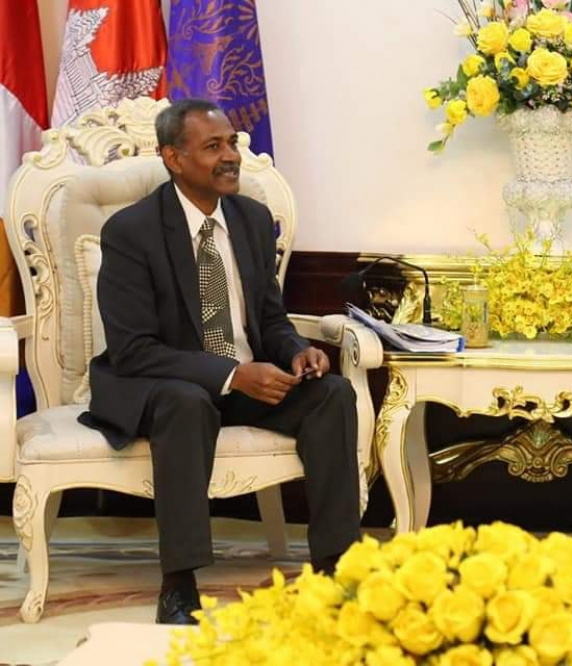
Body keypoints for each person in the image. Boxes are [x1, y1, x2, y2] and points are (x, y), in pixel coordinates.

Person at [80, 98, 361, 625]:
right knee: (187, 402)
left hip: (247, 381)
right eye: (213, 147)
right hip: (163, 383)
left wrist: (296, 351)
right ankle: (178, 585)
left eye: (231, 143)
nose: (231, 156)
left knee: (332, 395)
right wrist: (232, 374)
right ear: (173, 158)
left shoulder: (251, 219)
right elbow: (134, 349)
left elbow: (270, 319)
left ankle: (335, 570)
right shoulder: (132, 231)